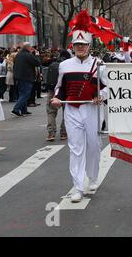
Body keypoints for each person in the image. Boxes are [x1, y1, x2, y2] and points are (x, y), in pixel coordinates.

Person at [51, 19, 107, 203]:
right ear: (72, 46)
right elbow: (60, 88)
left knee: (93, 146)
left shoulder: (99, 65)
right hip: (72, 110)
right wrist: (56, 98)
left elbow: (108, 88)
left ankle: (93, 176)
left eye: (83, 45)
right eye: (77, 45)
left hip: (92, 109)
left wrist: (102, 96)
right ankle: (77, 186)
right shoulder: (64, 65)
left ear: (89, 46)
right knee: (76, 149)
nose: (80, 48)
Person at [45, 50, 71, 142]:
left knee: (51, 112)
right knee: (66, 112)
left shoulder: (53, 64)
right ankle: (64, 132)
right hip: (65, 91)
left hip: (52, 90)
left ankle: (51, 132)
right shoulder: (69, 65)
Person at [12, 43, 41, 117]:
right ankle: (16, 109)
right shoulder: (28, 55)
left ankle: (24, 110)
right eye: (30, 47)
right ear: (28, 47)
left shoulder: (18, 55)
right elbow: (37, 63)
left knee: (22, 93)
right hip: (27, 77)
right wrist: (37, 55)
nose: (31, 49)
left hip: (18, 77)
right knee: (25, 94)